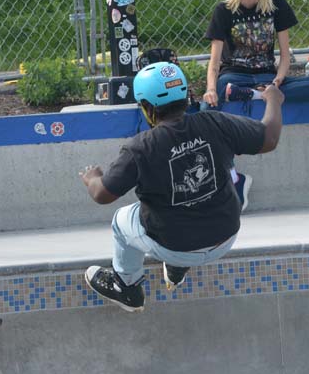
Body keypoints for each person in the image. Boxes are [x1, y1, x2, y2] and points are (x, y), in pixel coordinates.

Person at [79, 61, 284, 312]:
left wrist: (92, 178)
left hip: (174, 246)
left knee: (122, 220)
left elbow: (102, 194)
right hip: (225, 238)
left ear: (147, 107)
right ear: (186, 97)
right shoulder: (216, 123)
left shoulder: (142, 148)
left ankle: (126, 286)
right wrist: (274, 100)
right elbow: (269, 138)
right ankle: (176, 270)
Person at [202, 0, 309, 210]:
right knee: (209, 109)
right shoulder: (224, 10)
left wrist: (276, 82)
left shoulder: (276, 5)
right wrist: (210, 88)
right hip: (235, 77)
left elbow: (285, 56)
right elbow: (215, 61)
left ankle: (257, 95)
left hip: (268, 76)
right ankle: (233, 178)